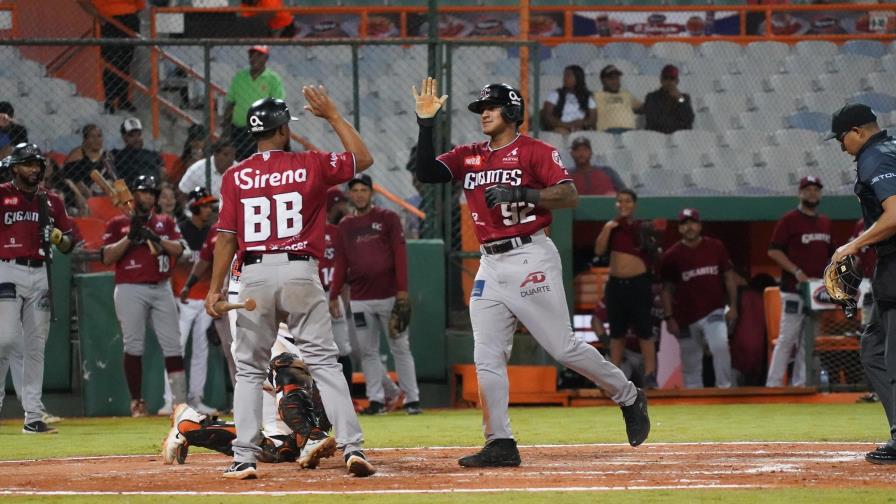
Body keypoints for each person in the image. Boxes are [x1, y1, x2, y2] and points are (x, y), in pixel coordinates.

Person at [412, 77, 649, 467]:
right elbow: (428, 172)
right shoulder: (471, 154)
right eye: (481, 108)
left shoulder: (535, 151)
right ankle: (500, 441)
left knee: (562, 348)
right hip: (490, 262)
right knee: (486, 355)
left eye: (491, 107)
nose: (484, 113)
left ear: (513, 112)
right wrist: (425, 126)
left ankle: (627, 395)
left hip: (529, 256)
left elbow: (569, 195)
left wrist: (523, 193)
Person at [204, 91, 375, 479]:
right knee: (326, 365)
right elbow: (362, 158)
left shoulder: (235, 175)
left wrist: (214, 289)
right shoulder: (310, 163)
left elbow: (227, 238)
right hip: (301, 270)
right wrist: (332, 114)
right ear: (282, 130)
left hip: (253, 275)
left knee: (249, 371)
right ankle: (352, 448)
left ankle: (245, 457)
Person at [827, 103, 896, 464]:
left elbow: (895, 214)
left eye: (841, 138)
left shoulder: (874, 156)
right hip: (888, 265)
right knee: (873, 347)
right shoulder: (893, 147)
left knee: (890, 354)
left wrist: (853, 244)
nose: (841, 146)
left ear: (857, 131)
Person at [329, 173, 422, 416]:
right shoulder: (345, 226)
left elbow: (400, 255)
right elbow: (341, 263)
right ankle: (376, 399)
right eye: (355, 190)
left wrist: (402, 292)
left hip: (390, 295)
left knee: (400, 346)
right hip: (360, 298)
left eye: (363, 189)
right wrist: (333, 294)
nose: (359, 194)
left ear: (371, 193)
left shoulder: (388, 218)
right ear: (350, 194)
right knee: (368, 352)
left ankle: (412, 399)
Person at [0, 144, 77, 434]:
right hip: (6, 267)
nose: (35, 169)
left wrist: (58, 237)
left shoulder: (52, 201)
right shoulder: (3, 193)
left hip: (40, 272)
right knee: (4, 339)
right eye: (28, 164)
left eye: (38, 164)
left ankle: (33, 415)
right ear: (15, 167)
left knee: (36, 345)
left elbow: (70, 244)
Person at [100, 174, 188, 417]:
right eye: (142, 192)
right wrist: (130, 238)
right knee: (133, 343)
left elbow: (179, 249)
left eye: (151, 192)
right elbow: (107, 256)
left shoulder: (165, 221)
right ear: (134, 195)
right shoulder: (118, 223)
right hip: (130, 286)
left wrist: (155, 238)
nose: (147, 196)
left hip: (161, 286)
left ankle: (180, 403)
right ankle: (137, 402)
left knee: (173, 343)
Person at [765, 175, 832, 387]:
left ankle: (801, 385)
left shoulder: (825, 222)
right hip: (793, 290)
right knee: (787, 339)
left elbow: (832, 255)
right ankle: (774, 385)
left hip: (817, 292)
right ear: (800, 193)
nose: (812, 193)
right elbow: (773, 251)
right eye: (808, 189)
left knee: (808, 343)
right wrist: (796, 271)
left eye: (816, 189)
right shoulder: (789, 220)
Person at [659, 208, 738, 389]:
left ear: (700, 225)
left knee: (720, 345)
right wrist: (669, 317)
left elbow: (729, 277)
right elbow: (666, 290)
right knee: (690, 362)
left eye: (693, 223)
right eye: (685, 224)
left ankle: (724, 389)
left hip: (714, 310)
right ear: (679, 229)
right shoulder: (671, 256)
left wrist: (733, 306)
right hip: (685, 316)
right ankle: (693, 398)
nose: (689, 227)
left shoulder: (716, 247)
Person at [160, 187, 220, 416]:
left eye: (210, 205)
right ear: (194, 206)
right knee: (176, 349)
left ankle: (196, 399)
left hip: (205, 297)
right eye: (204, 205)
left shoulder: (212, 232)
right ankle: (171, 400)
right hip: (182, 298)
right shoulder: (180, 230)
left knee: (201, 350)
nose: (209, 209)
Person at [594, 189, 659, 389]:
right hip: (616, 286)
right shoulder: (612, 227)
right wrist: (607, 227)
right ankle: (614, 378)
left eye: (627, 201)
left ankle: (650, 376)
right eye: (619, 201)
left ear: (634, 204)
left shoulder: (643, 226)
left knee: (644, 332)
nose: (623, 204)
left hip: (639, 284)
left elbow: (654, 255)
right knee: (617, 333)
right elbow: (599, 250)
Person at [222, 45, 285, 161]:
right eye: (252, 55)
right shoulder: (239, 77)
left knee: (261, 164)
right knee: (241, 163)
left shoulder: (273, 79)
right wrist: (225, 129)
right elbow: (230, 103)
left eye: (259, 56)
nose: (254, 59)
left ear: (266, 58)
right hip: (239, 130)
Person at [78, 0, 142, 113]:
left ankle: (123, 99)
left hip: (129, 19)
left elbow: (140, 5)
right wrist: (98, 16)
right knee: (111, 61)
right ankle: (110, 100)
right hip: (107, 20)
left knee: (125, 61)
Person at [63, 124, 117, 203]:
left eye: (99, 136)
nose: (97, 140)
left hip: (105, 192)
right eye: (92, 137)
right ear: (85, 139)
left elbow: (114, 177)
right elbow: (71, 177)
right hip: (84, 193)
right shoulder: (77, 154)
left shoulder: (107, 155)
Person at [539, 65, 596, 134]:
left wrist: (582, 123)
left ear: (578, 78)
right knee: (560, 131)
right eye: (564, 75)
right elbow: (548, 116)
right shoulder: (556, 94)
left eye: (568, 75)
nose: (564, 78)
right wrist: (568, 125)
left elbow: (592, 119)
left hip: (580, 128)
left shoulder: (587, 97)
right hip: (561, 127)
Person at [110, 117, 164, 186]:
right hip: (132, 189)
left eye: (139, 134)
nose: (137, 139)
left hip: (154, 188)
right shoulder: (117, 154)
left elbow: (163, 173)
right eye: (132, 135)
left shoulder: (153, 154)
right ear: (124, 137)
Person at [643, 65, 694, 135]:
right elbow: (653, 120)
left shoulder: (683, 98)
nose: (669, 81)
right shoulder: (652, 97)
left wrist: (679, 98)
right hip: (657, 136)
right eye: (666, 78)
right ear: (661, 80)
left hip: (679, 137)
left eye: (672, 78)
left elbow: (689, 118)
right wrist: (678, 123)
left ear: (677, 81)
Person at [594, 65, 642, 134]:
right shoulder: (597, 95)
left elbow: (641, 108)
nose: (615, 81)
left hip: (630, 133)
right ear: (603, 81)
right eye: (611, 79)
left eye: (617, 78)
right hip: (607, 132)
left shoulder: (626, 94)